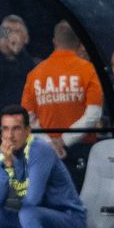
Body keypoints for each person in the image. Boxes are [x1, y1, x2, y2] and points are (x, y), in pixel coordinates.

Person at [21, 21, 103, 175]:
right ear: (78, 43)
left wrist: (50, 143)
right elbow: (93, 115)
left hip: (45, 153)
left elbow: (27, 117)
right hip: (82, 152)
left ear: (54, 42)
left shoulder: (34, 74)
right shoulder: (89, 70)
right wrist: (64, 141)